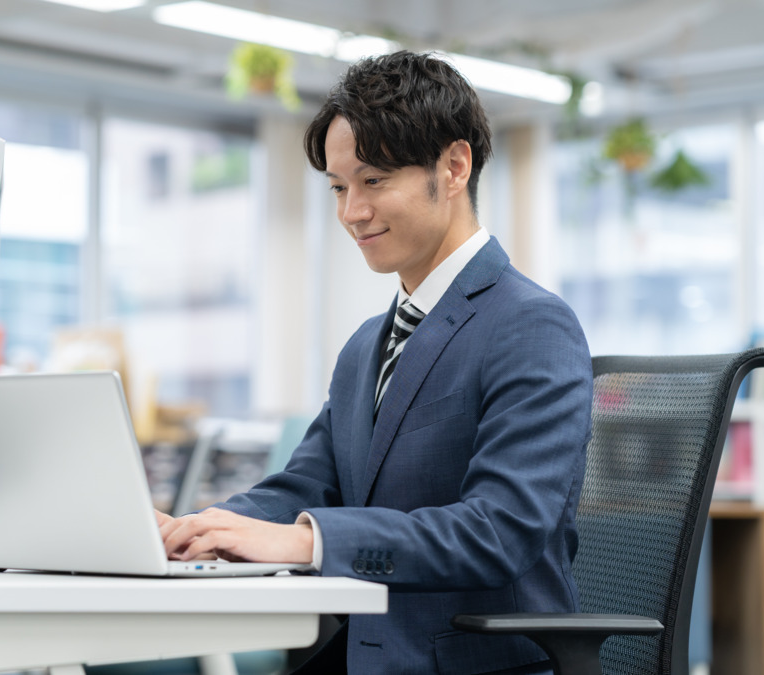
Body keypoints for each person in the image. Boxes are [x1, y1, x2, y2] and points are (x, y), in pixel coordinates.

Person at [158, 50, 593, 675]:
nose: (351, 212)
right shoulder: (367, 344)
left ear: (454, 166)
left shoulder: (531, 325)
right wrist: (197, 530)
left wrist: (307, 540)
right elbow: (306, 487)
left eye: (374, 181)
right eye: (339, 187)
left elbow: (499, 531)